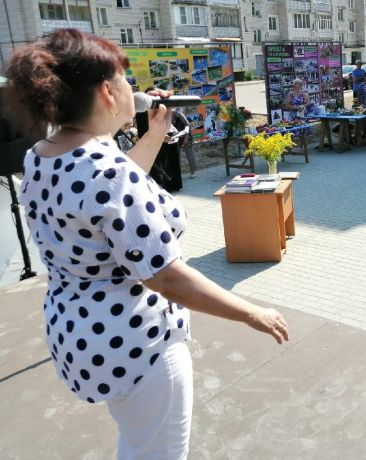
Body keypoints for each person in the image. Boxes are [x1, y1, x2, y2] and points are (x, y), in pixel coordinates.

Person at [6, 29, 288, 459]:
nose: (131, 90)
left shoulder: (43, 154)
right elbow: (167, 278)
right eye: (125, 81)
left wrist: (154, 131)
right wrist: (252, 313)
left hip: (81, 334)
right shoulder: (105, 170)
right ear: (106, 91)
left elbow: (110, 201)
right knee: (157, 454)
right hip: (137, 344)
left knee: (138, 445)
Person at [172, 109, 197, 179]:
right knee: (177, 157)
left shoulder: (178, 113)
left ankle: (193, 172)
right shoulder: (165, 115)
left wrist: (186, 138)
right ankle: (178, 174)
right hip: (176, 137)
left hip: (186, 135)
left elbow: (187, 124)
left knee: (189, 154)